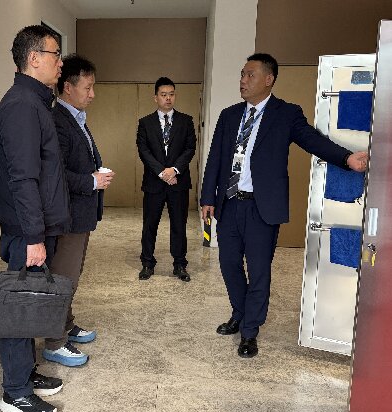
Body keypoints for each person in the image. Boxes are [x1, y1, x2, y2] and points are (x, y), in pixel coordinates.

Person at [200, 53, 368, 358]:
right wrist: (207, 198)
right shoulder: (229, 115)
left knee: (259, 271)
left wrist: (346, 158)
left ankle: (250, 330)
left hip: (262, 208)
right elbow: (215, 159)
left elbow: (313, 141)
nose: (243, 80)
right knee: (228, 264)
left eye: (250, 75)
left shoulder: (286, 114)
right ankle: (239, 312)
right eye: (242, 74)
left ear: (269, 79)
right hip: (230, 204)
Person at [0, 25, 70, 412]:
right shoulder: (22, 105)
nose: (61, 62)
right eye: (55, 54)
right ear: (34, 58)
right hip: (28, 231)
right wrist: (33, 236)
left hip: (37, 227)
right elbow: (23, 178)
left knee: (31, 302)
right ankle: (15, 392)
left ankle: (25, 372)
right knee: (19, 307)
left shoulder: (36, 102)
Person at [43, 54, 113, 367]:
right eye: (87, 87)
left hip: (80, 214)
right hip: (67, 216)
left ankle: (67, 324)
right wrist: (91, 180)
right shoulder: (58, 120)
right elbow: (55, 172)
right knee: (63, 278)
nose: (92, 94)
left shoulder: (76, 118)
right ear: (68, 87)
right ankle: (54, 342)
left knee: (71, 276)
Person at [137, 77, 197, 281]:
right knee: (150, 224)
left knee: (179, 225)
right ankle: (147, 263)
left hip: (178, 183)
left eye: (171, 94)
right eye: (163, 95)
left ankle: (180, 264)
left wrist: (174, 170)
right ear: (156, 97)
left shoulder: (186, 121)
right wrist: (162, 173)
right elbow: (144, 151)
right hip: (154, 182)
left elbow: (190, 148)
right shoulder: (145, 123)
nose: (168, 98)